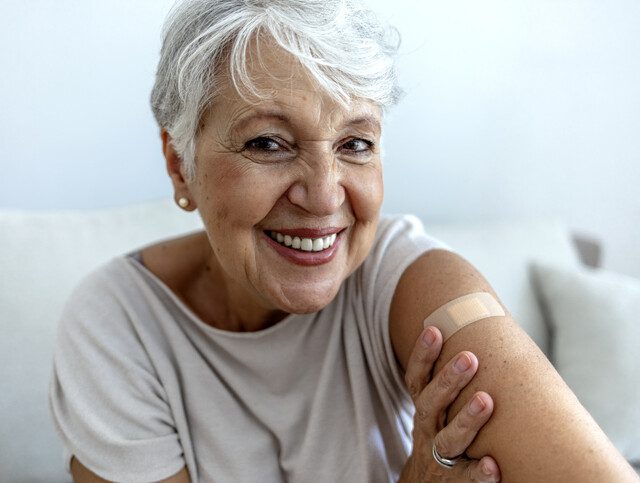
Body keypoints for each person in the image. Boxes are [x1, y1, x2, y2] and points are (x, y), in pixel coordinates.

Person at [49, 1, 638, 482]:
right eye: (268, 143)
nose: (326, 196)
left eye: (354, 143)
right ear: (181, 165)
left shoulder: (410, 278)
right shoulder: (115, 325)